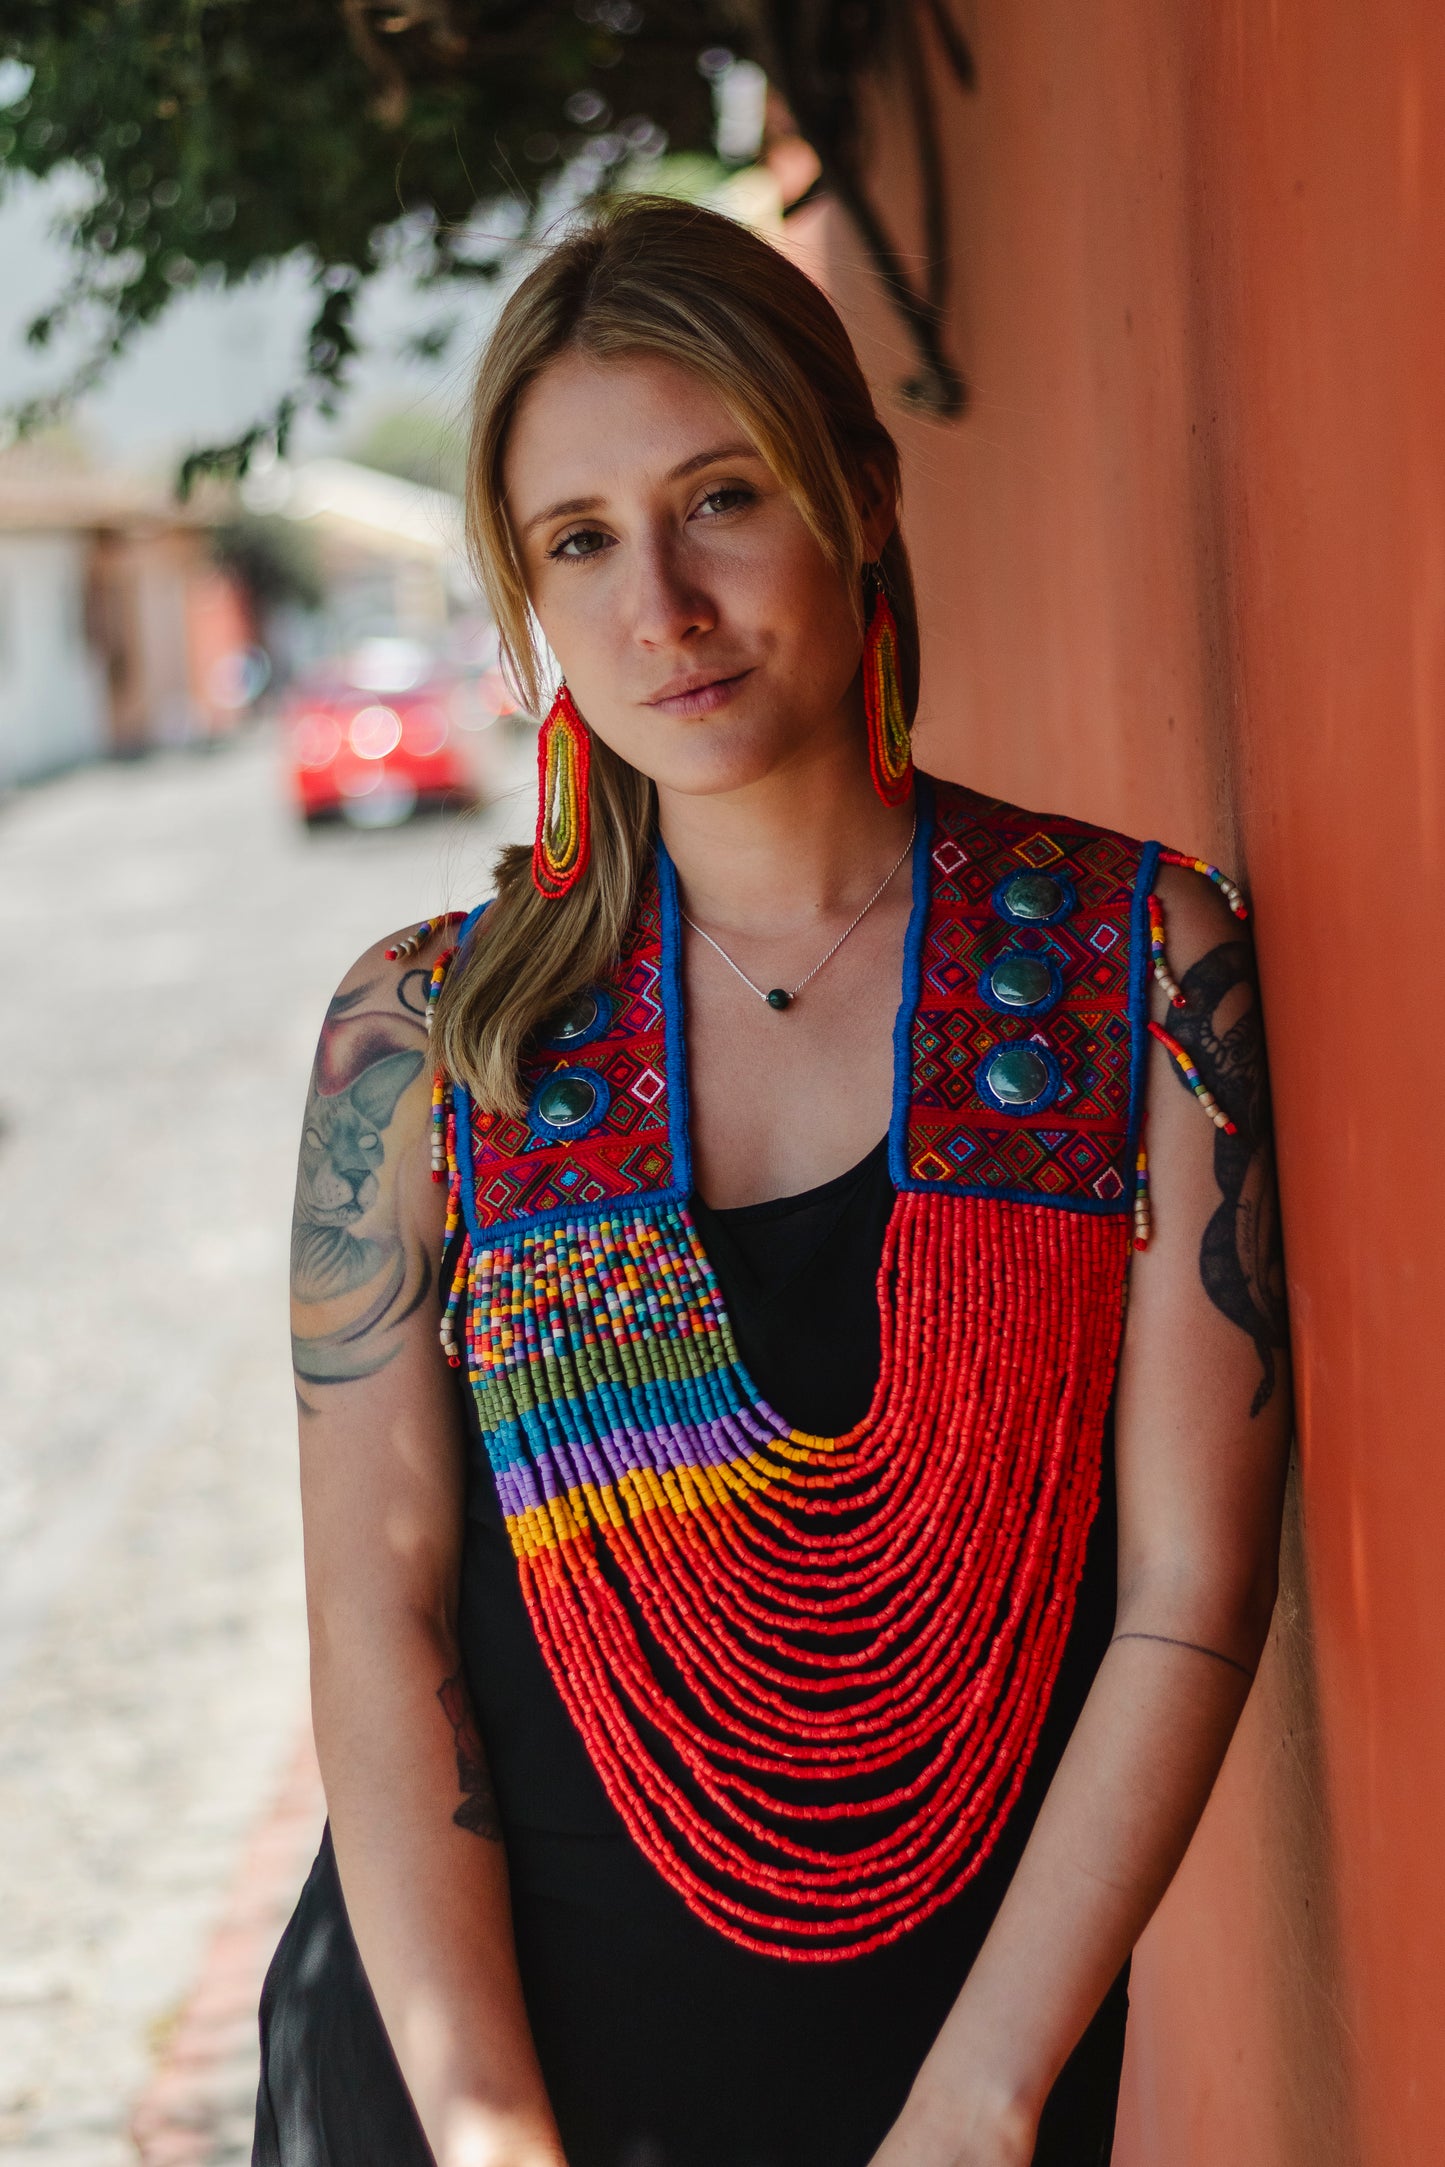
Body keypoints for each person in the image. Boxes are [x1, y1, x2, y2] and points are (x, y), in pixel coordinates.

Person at [253, 197, 1291, 2167]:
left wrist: (980, 2107)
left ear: (861, 497)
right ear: (530, 598)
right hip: (474, 2056)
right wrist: (484, 2132)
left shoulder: (1124, 966)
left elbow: (1187, 1588)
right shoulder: (428, 1038)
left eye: (719, 499)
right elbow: (375, 1619)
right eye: (578, 541)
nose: (662, 604)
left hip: (954, 2059)